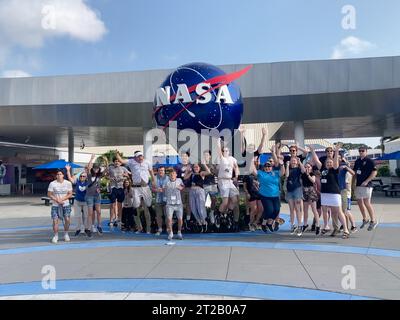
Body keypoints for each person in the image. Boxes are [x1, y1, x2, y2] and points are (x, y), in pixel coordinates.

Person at [313, 143, 350, 239]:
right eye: (327, 162)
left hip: (334, 193)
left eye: (330, 162)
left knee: (339, 211)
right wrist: (312, 151)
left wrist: (337, 150)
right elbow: (316, 161)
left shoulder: (335, 169)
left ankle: (346, 229)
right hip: (325, 193)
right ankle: (326, 226)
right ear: (325, 163)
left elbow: (336, 163)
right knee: (325, 210)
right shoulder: (322, 169)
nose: (329, 163)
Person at [115, 150, 155, 234]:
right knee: (136, 207)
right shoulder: (131, 162)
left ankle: (148, 228)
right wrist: (117, 154)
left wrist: (154, 181)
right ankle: (139, 228)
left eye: (141, 156)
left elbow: (151, 172)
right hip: (136, 188)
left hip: (145, 187)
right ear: (135, 157)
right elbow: (121, 160)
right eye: (138, 156)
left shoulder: (147, 162)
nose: (140, 157)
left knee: (148, 206)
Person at [250, 157, 285, 233]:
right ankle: (263, 223)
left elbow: (282, 173)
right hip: (265, 195)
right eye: (266, 166)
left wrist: (282, 164)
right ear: (264, 168)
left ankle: (269, 223)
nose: (267, 168)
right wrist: (251, 162)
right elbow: (254, 171)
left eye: (269, 166)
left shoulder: (275, 173)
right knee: (269, 210)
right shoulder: (261, 173)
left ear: (271, 167)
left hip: (275, 195)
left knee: (276, 210)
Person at [216, 138, 240, 227]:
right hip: (222, 181)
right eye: (224, 151)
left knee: (235, 200)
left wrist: (236, 177)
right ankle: (218, 215)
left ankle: (228, 214)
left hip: (230, 181)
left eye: (227, 150)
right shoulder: (222, 158)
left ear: (229, 151)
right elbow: (218, 150)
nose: (225, 152)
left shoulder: (233, 159)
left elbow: (236, 167)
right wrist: (218, 141)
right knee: (225, 202)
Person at [353, 147, 378, 230]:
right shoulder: (357, 161)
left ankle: (373, 220)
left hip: (367, 185)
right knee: (360, 202)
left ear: (366, 152)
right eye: (359, 151)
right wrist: (353, 184)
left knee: (367, 203)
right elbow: (355, 173)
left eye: (362, 151)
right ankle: (365, 218)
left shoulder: (370, 161)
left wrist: (367, 181)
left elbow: (374, 172)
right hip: (358, 185)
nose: (361, 152)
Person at [47, 170, 73, 244]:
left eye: (60, 174)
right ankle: (56, 235)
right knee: (55, 221)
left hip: (66, 204)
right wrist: (56, 199)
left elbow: (70, 194)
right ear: (56, 176)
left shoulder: (68, 183)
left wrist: (62, 199)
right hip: (55, 205)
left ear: (63, 175)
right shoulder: (52, 183)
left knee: (67, 219)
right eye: (57, 174)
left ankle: (66, 233)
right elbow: (49, 194)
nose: (59, 175)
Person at [65, 164, 91, 237]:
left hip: (86, 202)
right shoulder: (77, 182)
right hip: (77, 201)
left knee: (86, 216)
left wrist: (89, 167)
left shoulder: (88, 182)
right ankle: (78, 229)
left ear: (86, 177)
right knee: (77, 216)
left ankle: (86, 229)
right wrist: (68, 170)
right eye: (81, 176)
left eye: (84, 176)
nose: (82, 177)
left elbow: (89, 174)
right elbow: (70, 178)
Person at [185, 163, 210, 232]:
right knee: (193, 209)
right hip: (191, 191)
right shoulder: (191, 173)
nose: (195, 168)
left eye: (197, 167)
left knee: (200, 208)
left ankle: (204, 222)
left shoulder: (201, 173)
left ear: (199, 168)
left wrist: (204, 164)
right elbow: (185, 177)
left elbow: (208, 172)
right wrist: (188, 170)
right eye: (194, 167)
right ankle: (199, 223)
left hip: (199, 191)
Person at [108, 156, 131, 227]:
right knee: (112, 205)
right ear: (114, 162)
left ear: (120, 163)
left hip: (121, 188)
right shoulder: (110, 168)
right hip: (113, 187)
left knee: (120, 205)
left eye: (118, 161)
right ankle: (111, 220)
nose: (117, 162)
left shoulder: (123, 168)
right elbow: (104, 175)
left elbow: (129, 175)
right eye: (115, 161)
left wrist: (125, 176)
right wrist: (110, 178)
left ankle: (119, 219)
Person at [86, 156, 106, 235]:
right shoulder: (89, 175)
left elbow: (106, 170)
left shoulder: (99, 176)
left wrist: (106, 161)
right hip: (89, 196)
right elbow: (88, 167)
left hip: (97, 195)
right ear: (93, 169)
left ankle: (99, 226)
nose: (96, 169)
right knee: (90, 213)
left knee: (99, 212)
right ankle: (90, 227)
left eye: (97, 168)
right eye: (94, 168)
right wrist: (91, 159)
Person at [338, 154, 358, 234]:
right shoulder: (337, 168)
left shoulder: (345, 169)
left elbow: (352, 174)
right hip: (339, 192)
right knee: (341, 211)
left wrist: (346, 166)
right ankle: (344, 225)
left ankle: (353, 226)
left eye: (340, 158)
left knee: (346, 211)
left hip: (346, 193)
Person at [285, 157, 305, 236]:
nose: (293, 162)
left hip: (297, 189)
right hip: (289, 190)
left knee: (297, 208)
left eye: (294, 161)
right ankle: (292, 225)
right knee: (291, 209)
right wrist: (287, 165)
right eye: (292, 160)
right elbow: (286, 175)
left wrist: (300, 162)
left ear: (296, 162)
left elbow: (304, 171)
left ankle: (300, 226)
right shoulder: (289, 168)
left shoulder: (298, 169)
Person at [164, 169, 185, 240]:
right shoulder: (166, 182)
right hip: (169, 204)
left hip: (178, 203)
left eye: (173, 173)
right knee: (169, 219)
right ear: (169, 175)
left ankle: (179, 232)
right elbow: (163, 189)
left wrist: (181, 188)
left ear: (176, 174)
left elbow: (183, 187)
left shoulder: (179, 180)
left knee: (180, 219)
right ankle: (171, 233)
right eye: (171, 174)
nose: (172, 175)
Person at [243, 159, 262, 232]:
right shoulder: (246, 175)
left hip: (259, 193)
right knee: (254, 209)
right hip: (252, 194)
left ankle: (256, 222)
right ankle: (250, 224)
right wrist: (247, 193)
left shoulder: (258, 174)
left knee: (261, 209)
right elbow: (244, 187)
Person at [301, 162, 320, 235]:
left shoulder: (312, 174)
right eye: (306, 167)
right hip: (305, 191)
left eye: (308, 167)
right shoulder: (303, 175)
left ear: (311, 168)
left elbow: (313, 181)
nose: (307, 168)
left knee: (314, 209)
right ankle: (305, 224)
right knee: (305, 210)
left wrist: (308, 174)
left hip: (311, 192)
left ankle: (317, 225)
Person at [175, 151, 192, 230]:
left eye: (185, 156)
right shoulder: (177, 166)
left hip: (190, 187)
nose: (184, 157)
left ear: (188, 157)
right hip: (181, 188)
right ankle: (181, 220)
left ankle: (188, 221)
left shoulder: (191, 165)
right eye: (182, 156)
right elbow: (175, 177)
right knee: (181, 204)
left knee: (189, 204)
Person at [202, 150, 219, 228]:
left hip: (213, 184)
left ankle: (211, 212)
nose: (206, 156)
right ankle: (204, 217)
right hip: (204, 185)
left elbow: (214, 173)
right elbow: (202, 173)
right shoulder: (201, 164)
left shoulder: (213, 164)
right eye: (204, 155)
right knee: (203, 202)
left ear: (210, 156)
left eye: (207, 155)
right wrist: (207, 171)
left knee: (214, 200)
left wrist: (208, 171)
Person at [153, 166, 169, 236]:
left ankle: (168, 229)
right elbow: (151, 188)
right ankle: (160, 229)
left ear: (164, 171)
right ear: (157, 171)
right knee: (159, 216)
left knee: (167, 215)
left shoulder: (168, 178)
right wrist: (156, 190)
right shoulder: (154, 178)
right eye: (159, 170)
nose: (161, 172)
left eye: (162, 170)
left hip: (167, 200)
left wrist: (165, 189)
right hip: (158, 199)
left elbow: (172, 187)